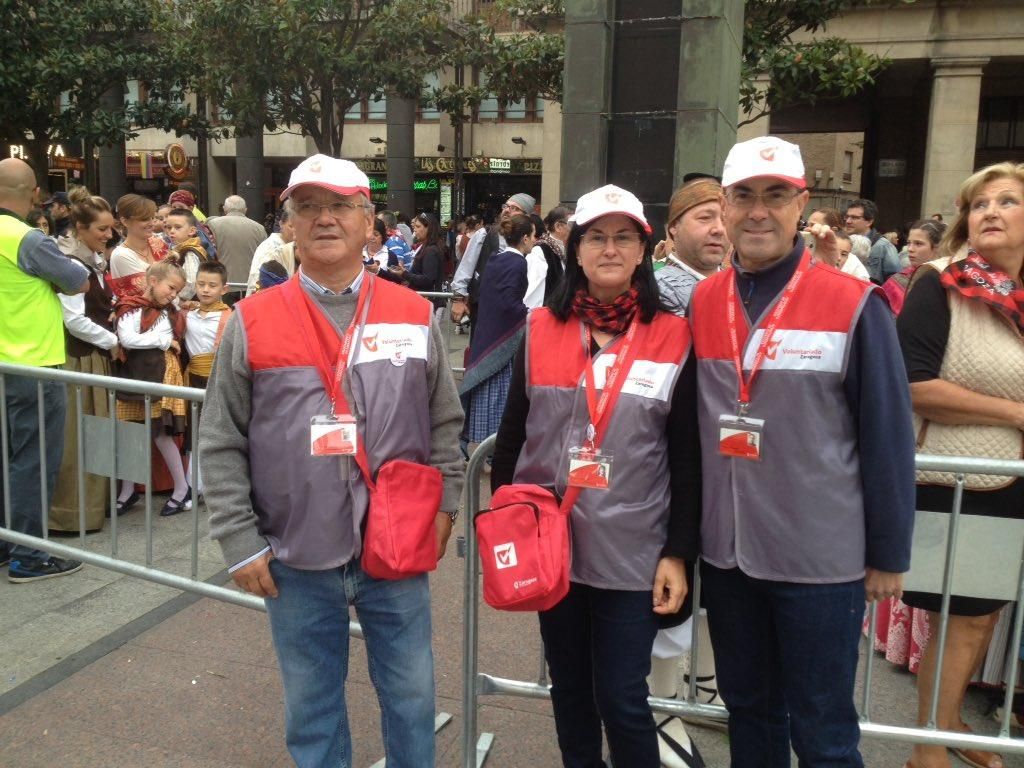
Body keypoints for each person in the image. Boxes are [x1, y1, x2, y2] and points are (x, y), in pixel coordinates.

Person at [200, 153, 465, 768]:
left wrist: (445, 508)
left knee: (411, 697)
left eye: (341, 206)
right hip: (293, 554)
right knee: (312, 708)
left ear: (369, 221)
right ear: (288, 223)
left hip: (395, 548)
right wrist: (239, 540)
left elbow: (444, 424)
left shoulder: (411, 312)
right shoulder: (251, 319)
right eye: (308, 207)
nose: (325, 219)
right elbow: (220, 438)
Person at [688, 136, 916, 767]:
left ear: (801, 206)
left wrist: (889, 551)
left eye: (775, 196)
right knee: (750, 716)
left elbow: (888, 434)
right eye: (744, 198)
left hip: (819, 561)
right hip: (730, 556)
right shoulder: (704, 301)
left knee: (823, 731)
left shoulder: (853, 302)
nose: (758, 212)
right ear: (725, 207)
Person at [491, 183, 700, 768]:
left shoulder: (676, 337)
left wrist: (679, 551)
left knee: (622, 696)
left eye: (623, 237)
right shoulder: (539, 330)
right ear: (575, 250)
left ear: (643, 250)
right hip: (551, 548)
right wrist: (506, 523)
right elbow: (511, 442)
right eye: (596, 238)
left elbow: (686, 456)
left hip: (633, 551)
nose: (610, 249)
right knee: (571, 693)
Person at [898, 162, 1024, 768]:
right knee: (962, 615)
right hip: (964, 477)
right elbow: (912, 383)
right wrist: (1017, 413)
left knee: (986, 614)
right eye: (979, 205)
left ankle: (947, 721)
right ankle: (926, 749)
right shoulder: (941, 282)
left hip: (1014, 480)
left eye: (1006, 201)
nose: (990, 212)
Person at [0, 157, 89, 582]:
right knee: (33, 462)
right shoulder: (25, 238)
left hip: (4, 365)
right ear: (35, 194)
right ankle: (29, 556)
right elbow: (78, 280)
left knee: (7, 459)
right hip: (34, 365)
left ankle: (6, 542)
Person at [50, 186, 121, 532]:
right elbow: (73, 320)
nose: (108, 235)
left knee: (96, 435)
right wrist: (112, 340)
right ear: (80, 228)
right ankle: (70, 513)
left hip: (95, 357)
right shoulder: (70, 264)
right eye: (101, 230)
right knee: (78, 438)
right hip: (80, 360)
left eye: (110, 229)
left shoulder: (92, 261)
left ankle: (92, 508)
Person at [114, 260, 191, 517]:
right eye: (171, 287)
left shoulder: (169, 312)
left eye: (177, 291)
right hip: (135, 371)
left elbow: (136, 339)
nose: (173, 294)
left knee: (161, 431)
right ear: (153, 281)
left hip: (162, 372)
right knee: (127, 431)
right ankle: (127, 491)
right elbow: (127, 339)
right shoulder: (129, 306)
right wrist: (162, 340)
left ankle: (182, 488)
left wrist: (160, 340)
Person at [459, 213, 536, 450]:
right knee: (500, 395)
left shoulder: (495, 258)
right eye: (533, 236)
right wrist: (531, 314)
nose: (535, 240)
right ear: (524, 238)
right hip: (503, 336)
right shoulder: (518, 262)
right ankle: (491, 450)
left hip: (485, 331)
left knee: (483, 388)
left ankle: (470, 442)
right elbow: (510, 303)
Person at [451, 192, 536, 338]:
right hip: (485, 310)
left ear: (526, 216)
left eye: (515, 208)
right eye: (506, 206)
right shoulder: (485, 234)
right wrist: (458, 299)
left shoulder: (530, 241)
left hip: (515, 312)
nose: (507, 210)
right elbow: (465, 267)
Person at [183, 260, 231, 499]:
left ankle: (215, 484)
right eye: (201, 284)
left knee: (215, 433)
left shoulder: (230, 317)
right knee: (193, 431)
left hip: (218, 380)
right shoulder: (187, 314)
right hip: (192, 378)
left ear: (224, 289)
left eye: (212, 285)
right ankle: (193, 485)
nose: (205, 290)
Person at [654, 177, 730, 316]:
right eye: (705, 218)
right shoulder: (657, 289)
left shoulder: (740, 284)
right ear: (674, 226)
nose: (719, 229)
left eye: (725, 220)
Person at [109, 194, 169, 302]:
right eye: (145, 219)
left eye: (152, 218)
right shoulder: (120, 255)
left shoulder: (158, 242)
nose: (151, 223)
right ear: (125, 221)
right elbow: (153, 292)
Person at [206, 195, 267, 301]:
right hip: (249, 286)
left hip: (222, 284)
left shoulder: (213, 224)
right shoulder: (259, 228)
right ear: (246, 210)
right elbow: (265, 256)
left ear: (225, 209)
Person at [881, 219, 947, 315]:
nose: (910, 249)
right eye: (909, 243)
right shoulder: (895, 282)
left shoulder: (949, 282)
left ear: (938, 247)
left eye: (918, 244)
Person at [388, 212, 447, 317]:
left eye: (418, 226)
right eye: (414, 226)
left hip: (429, 301)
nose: (414, 229)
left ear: (429, 228)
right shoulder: (424, 246)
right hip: (425, 300)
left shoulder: (431, 250)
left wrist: (404, 274)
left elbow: (427, 279)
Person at [845, 197, 901, 285]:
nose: (848, 221)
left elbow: (895, 283)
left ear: (869, 222)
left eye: (854, 217)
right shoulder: (842, 242)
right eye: (847, 216)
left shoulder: (883, 246)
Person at [246, 204, 296, 296]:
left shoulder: (291, 248)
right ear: (281, 224)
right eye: (291, 226)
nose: (294, 230)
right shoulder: (270, 248)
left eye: (298, 227)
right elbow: (257, 279)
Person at [165, 208, 210, 301]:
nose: (172, 231)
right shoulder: (177, 248)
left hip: (188, 306)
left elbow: (191, 283)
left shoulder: (189, 252)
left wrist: (176, 300)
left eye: (178, 227)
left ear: (192, 231)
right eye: (168, 227)